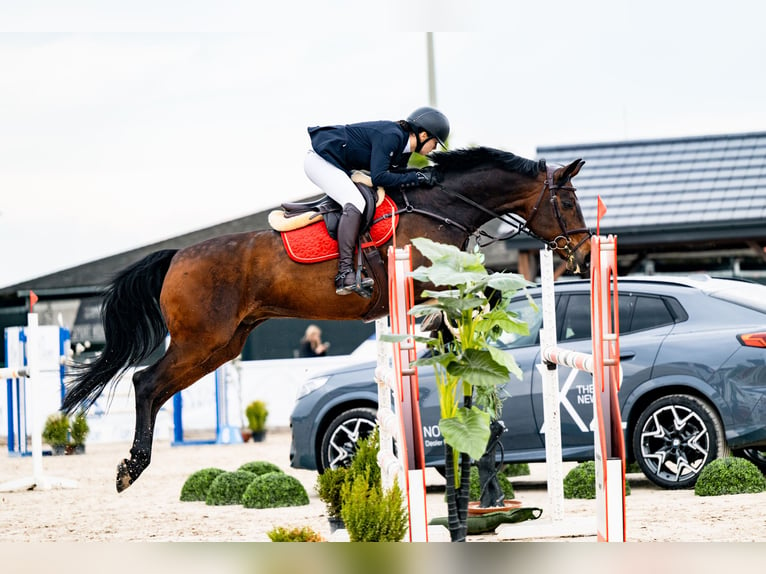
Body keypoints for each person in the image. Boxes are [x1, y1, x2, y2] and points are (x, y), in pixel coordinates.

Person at [304, 106, 450, 296]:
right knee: (355, 201)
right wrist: (418, 177)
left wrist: (420, 175)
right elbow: (380, 177)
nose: (435, 148)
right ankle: (345, 273)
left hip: (337, 164)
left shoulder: (404, 147)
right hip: (320, 161)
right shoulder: (393, 135)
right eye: (435, 142)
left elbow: (396, 177)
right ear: (423, 135)